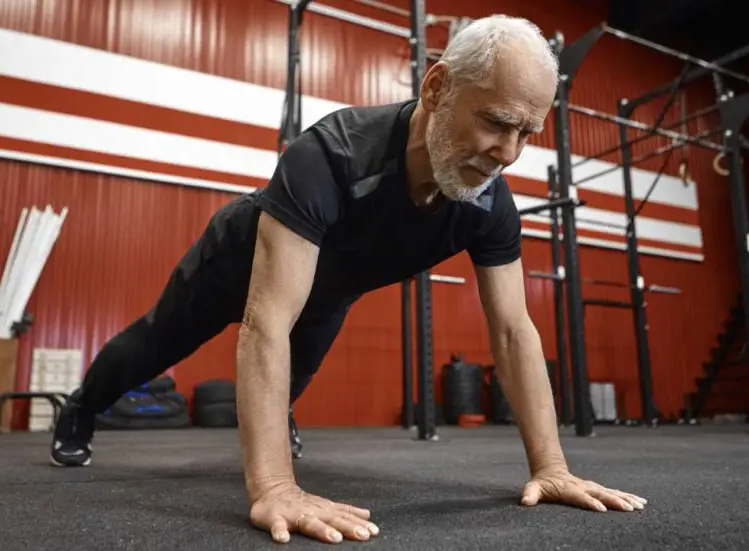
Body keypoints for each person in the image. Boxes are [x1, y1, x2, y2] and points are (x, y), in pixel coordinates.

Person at [49, 14, 648, 545]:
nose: (509, 153)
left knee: (290, 388)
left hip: (326, 290)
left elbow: (516, 332)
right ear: (437, 87)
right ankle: (79, 410)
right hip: (238, 258)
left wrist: (551, 466)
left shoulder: (487, 203)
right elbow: (265, 322)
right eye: (497, 122)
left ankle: (276, 418)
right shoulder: (332, 154)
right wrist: (276, 487)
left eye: (528, 134)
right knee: (154, 345)